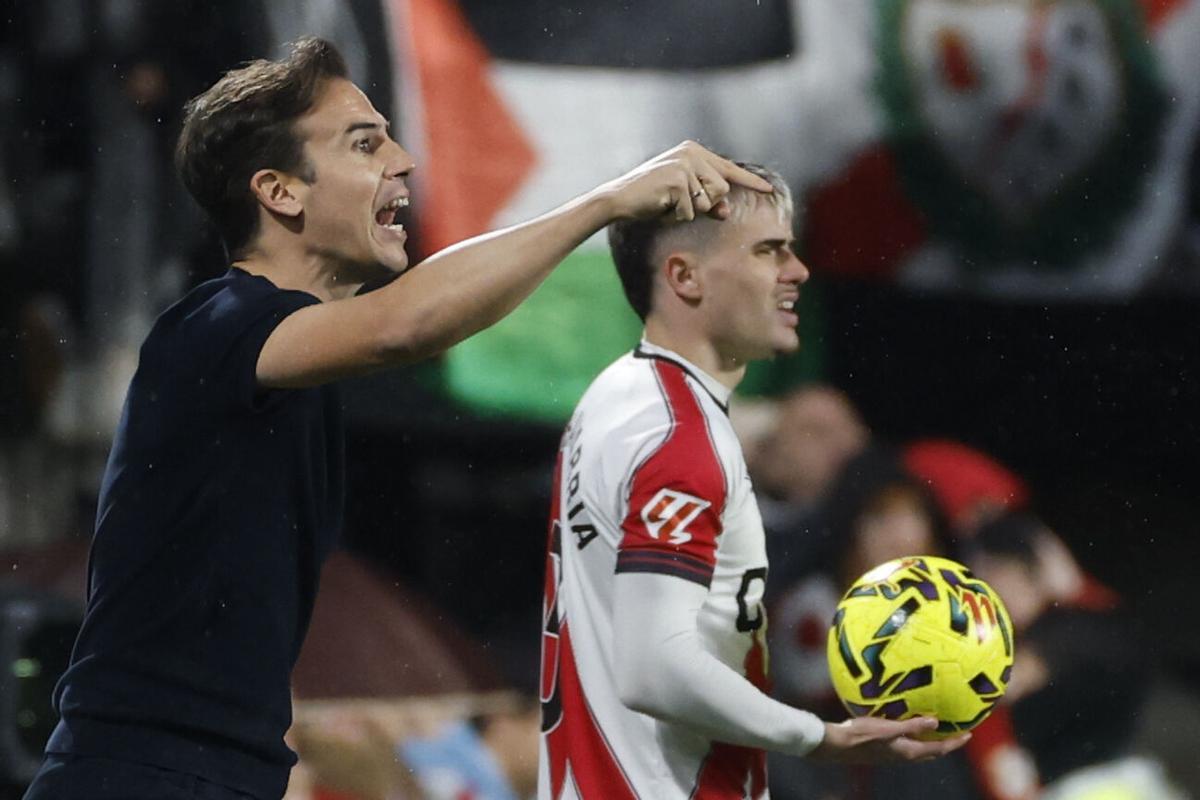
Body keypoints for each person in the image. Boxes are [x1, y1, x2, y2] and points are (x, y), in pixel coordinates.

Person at [22, 36, 776, 800]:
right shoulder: (212, 328)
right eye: (364, 142)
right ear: (281, 192)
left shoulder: (292, 371)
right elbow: (405, 325)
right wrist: (607, 199)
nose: (405, 160)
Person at [536, 163, 967, 799]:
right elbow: (652, 669)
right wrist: (822, 736)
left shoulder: (614, 398)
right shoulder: (679, 441)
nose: (797, 272)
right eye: (769, 252)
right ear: (684, 277)